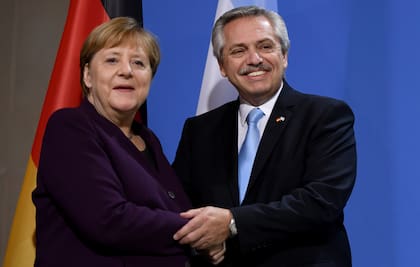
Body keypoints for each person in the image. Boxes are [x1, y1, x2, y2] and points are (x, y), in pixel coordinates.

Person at [173, 6, 356, 267]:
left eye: (265, 46)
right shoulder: (200, 130)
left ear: (284, 56)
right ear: (223, 67)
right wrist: (199, 243)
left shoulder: (325, 116)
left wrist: (232, 223)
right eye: (238, 51)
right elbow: (180, 204)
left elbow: (321, 202)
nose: (254, 59)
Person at [32, 17, 224, 267]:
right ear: (88, 76)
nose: (127, 71)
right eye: (112, 60)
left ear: (149, 80)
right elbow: (106, 220)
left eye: (139, 63)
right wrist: (203, 232)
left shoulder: (147, 139)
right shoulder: (70, 127)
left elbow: (175, 209)